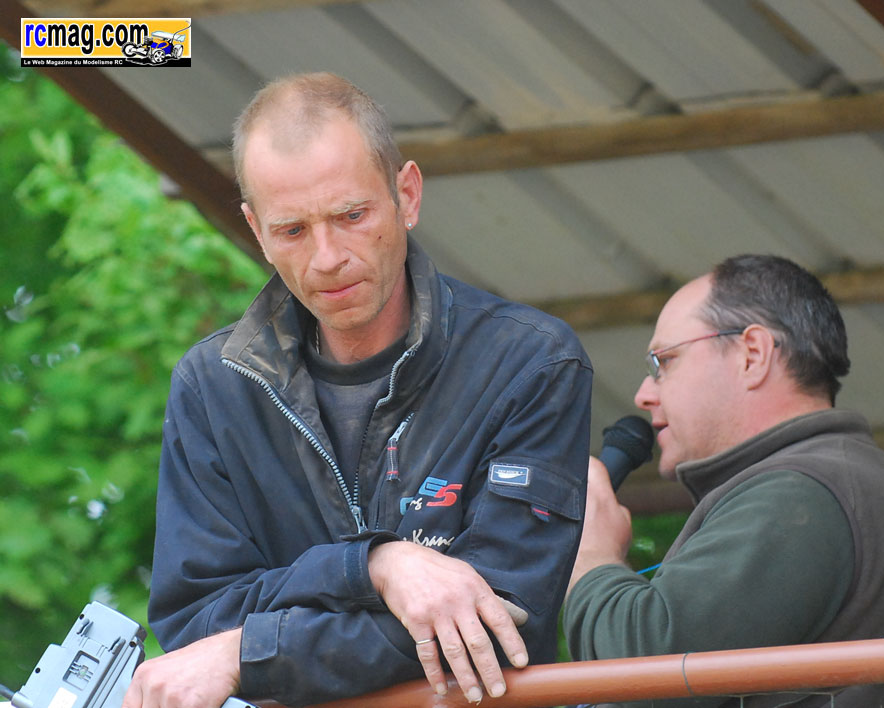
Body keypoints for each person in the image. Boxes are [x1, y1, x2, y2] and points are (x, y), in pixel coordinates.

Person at [122, 72, 592, 708]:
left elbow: (493, 619)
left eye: (351, 216)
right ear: (256, 230)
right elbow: (196, 627)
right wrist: (376, 567)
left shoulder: (529, 362)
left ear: (407, 195)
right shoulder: (213, 385)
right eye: (292, 230)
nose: (327, 258)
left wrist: (246, 652)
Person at [565, 254, 884, 708]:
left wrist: (593, 558)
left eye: (664, 361)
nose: (644, 394)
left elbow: (647, 677)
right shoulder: (831, 478)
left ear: (752, 355)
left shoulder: (799, 492)